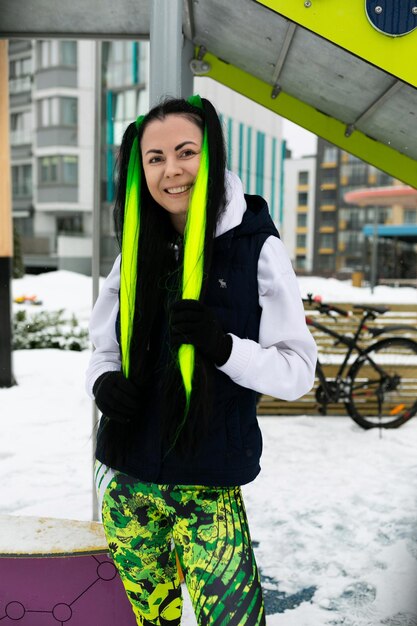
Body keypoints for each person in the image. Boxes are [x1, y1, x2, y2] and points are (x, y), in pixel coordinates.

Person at [86, 94, 317, 626]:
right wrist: (102, 382)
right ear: (139, 168)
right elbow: (103, 349)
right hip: (128, 485)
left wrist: (224, 347)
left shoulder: (255, 247)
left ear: (210, 153)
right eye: (155, 158)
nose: (172, 170)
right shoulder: (134, 246)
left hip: (209, 488)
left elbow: (298, 372)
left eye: (185, 152)